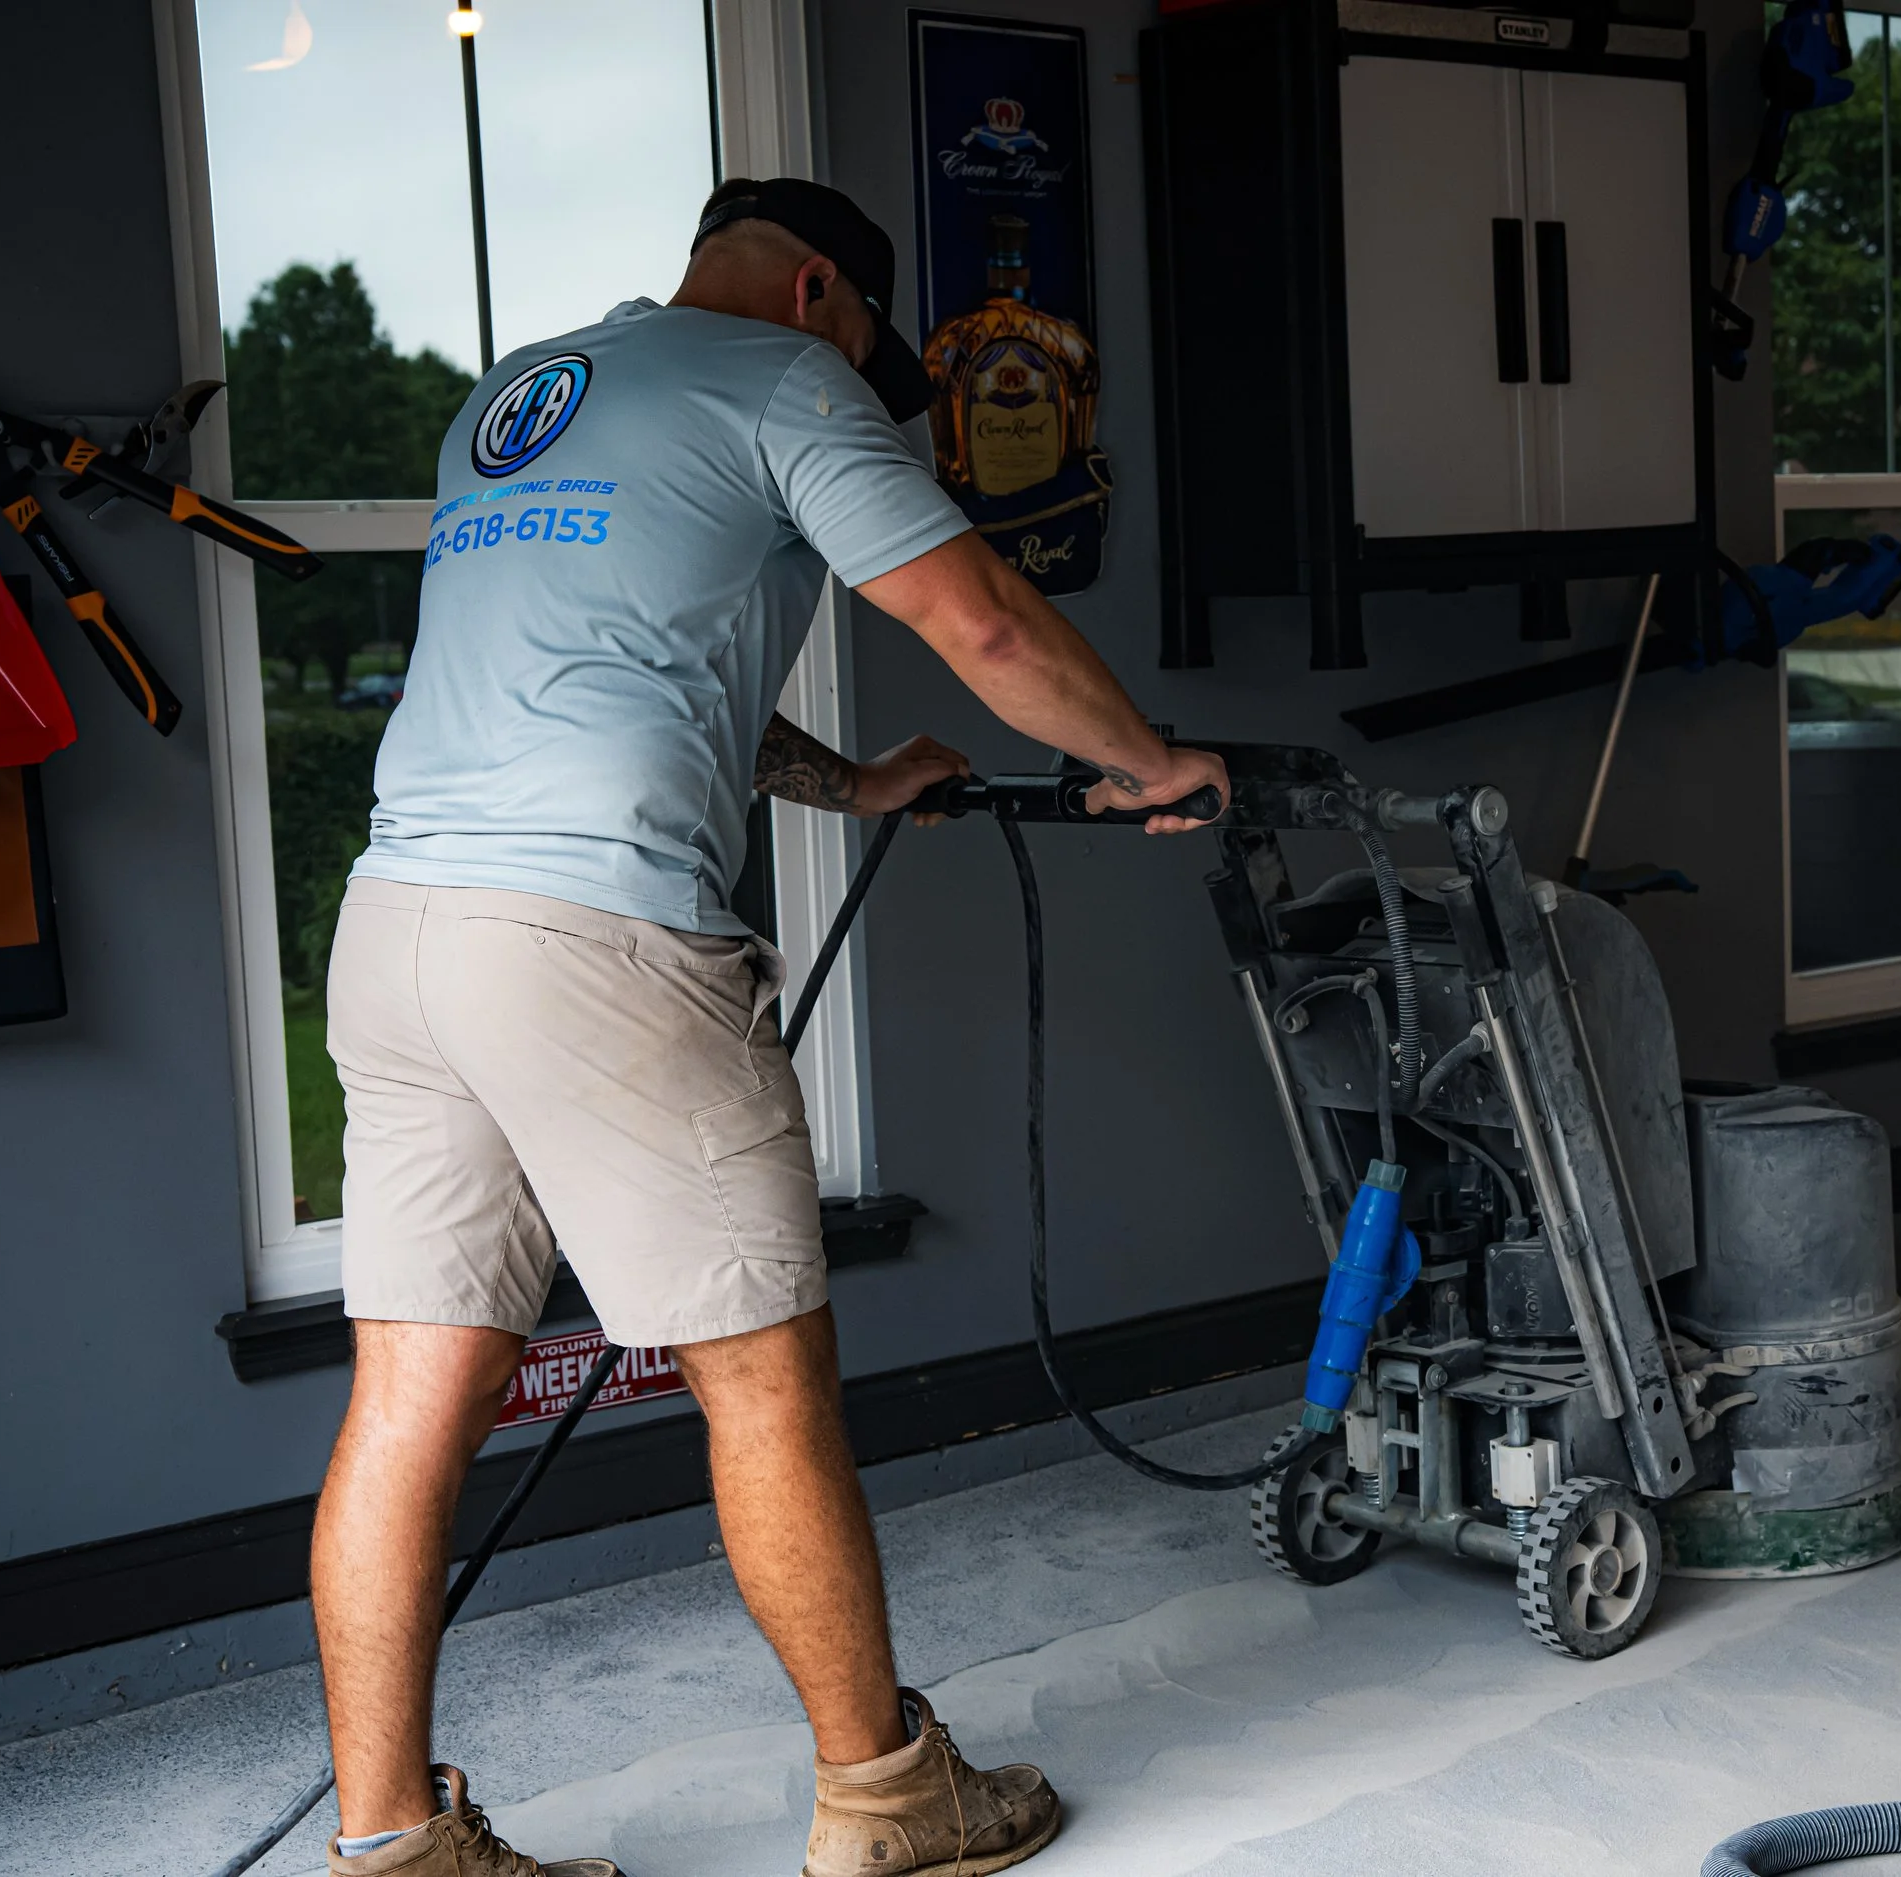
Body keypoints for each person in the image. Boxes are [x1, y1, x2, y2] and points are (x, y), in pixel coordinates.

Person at [316, 176, 1227, 1877]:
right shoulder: (785, 384)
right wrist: (1152, 763)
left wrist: (859, 784)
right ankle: (889, 1798)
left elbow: (636, 684)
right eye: (870, 351)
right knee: (762, 1382)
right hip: (595, 940)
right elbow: (974, 616)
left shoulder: (519, 400)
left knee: (408, 1394)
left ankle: (389, 1850)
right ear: (822, 292)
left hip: (398, 934)